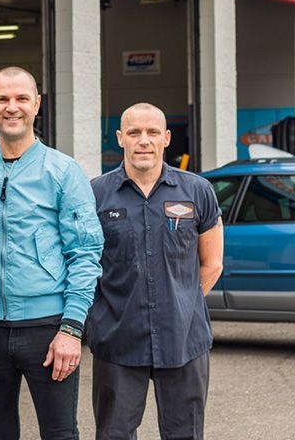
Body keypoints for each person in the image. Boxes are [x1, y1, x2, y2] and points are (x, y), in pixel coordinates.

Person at [0, 67, 103, 440]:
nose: (12, 107)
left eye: (21, 98)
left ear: (37, 104)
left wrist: (71, 328)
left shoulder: (64, 171)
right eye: (3, 99)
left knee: (60, 434)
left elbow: (85, 254)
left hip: (48, 329)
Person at [87, 102, 225, 440]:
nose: (143, 140)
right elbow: (85, 265)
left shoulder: (197, 191)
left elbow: (212, 263)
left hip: (183, 339)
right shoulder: (96, 194)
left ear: (166, 138)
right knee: (114, 434)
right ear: (120, 138)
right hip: (117, 340)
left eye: (152, 132)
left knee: (184, 434)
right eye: (134, 132)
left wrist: (182, 303)